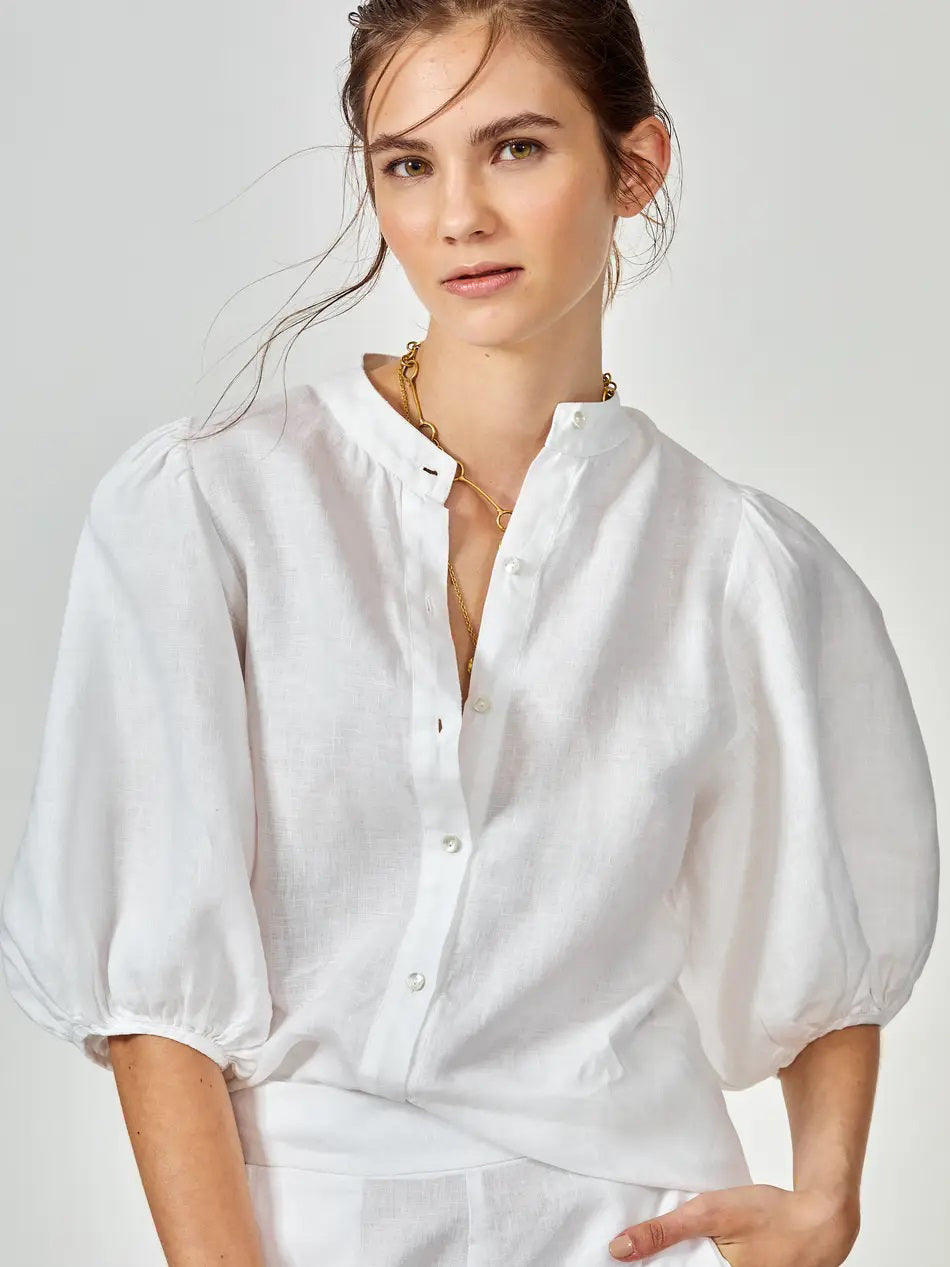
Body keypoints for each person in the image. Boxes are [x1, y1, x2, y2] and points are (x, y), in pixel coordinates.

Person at [0, 3, 939, 1265]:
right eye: (408, 164)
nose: (457, 218)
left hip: (632, 1219)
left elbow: (818, 914)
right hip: (303, 1216)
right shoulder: (212, 508)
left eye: (515, 149)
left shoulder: (746, 571)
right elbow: (154, 1001)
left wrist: (825, 1193)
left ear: (635, 166)